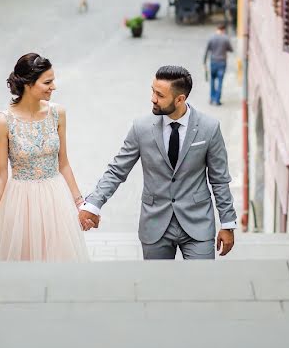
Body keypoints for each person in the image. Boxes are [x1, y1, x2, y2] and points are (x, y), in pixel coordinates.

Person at [79, 66, 236, 259]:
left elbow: (219, 179)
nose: (153, 98)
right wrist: (93, 204)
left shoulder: (209, 128)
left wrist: (228, 223)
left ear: (180, 99)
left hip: (198, 223)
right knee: (156, 287)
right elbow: (117, 170)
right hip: (155, 224)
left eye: (160, 95)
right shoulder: (141, 128)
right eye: (153, 90)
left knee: (201, 285)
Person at [0, 53, 89, 261]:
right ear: (28, 84)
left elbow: (64, 163)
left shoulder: (58, 113)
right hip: (20, 201)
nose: (54, 87)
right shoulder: (3, 121)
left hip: (55, 200)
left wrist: (80, 203)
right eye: (47, 82)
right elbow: (0, 174)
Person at [204, 24, 233, 106]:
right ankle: (217, 100)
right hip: (222, 63)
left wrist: (204, 61)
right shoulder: (225, 38)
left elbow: (207, 50)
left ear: (217, 29)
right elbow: (231, 49)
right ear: (223, 30)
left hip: (213, 62)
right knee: (220, 81)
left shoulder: (211, 38)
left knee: (212, 80)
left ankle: (211, 98)